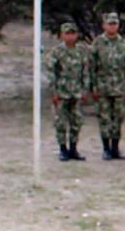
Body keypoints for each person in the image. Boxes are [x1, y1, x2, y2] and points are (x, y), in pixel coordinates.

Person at [90, 12, 125, 160]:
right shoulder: (97, 43)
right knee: (104, 118)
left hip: (119, 87)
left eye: (114, 24)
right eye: (109, 23)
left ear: (118, 26)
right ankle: (106, 148)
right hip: (103, 87)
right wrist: (93, 86)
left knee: (118, 118)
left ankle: (115, 148)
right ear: (104, 25)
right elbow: (92, 66)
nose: (112, 26)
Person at [46, 22, 90, 162]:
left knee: (76, 122)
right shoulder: (56, 52)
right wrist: (54, 91)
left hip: (76, 92)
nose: (70, 36)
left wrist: (85, 90)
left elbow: (85, 71)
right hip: (61, 93)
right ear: (61, 35)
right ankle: (63, 149)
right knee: (61, 123)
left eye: (73, 33)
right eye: (67, 33)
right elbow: (51, 72)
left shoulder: (81, 51)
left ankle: (73, 149)